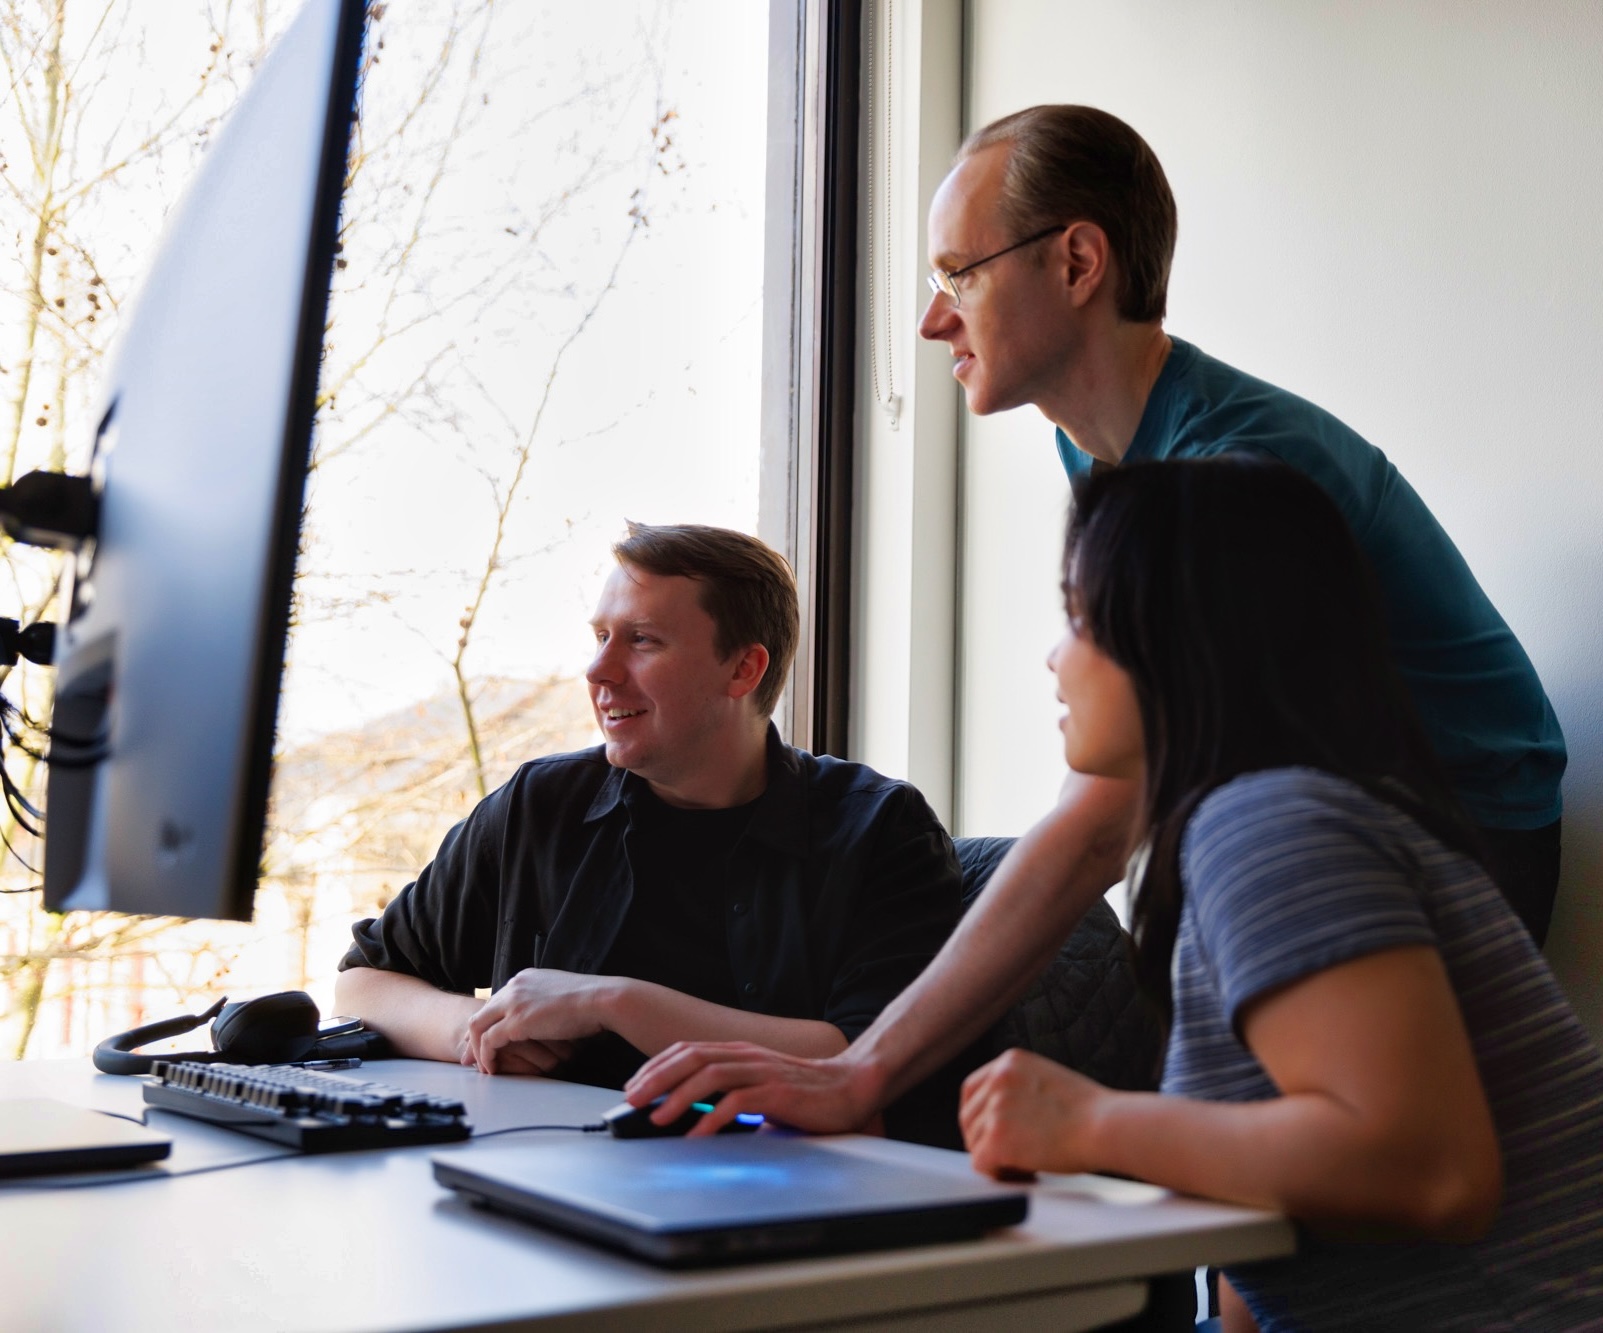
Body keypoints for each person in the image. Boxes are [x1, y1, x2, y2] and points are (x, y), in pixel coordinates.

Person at [623, 103, 1567, 1137]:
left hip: (1454, 826)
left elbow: (1102, 813)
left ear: (1076, 262)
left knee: (1342, 1185)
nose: (934, 320)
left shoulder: (1229, 475)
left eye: (958, 276)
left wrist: (866, 1068)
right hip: (1302, 813)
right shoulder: (1105, 449)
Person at [959, 458, 1603, 1331]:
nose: (1053, 653)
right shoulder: (1272, 820)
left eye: (1077, 614)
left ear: (1180, 634)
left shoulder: (1269, 825)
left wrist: (1090, 1123)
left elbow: (1429, 1171)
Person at [335, 522, 962, 1090]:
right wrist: (474, 1030)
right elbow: (362, 983)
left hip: (775, 1182)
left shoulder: (881, 828)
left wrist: (613, 1004)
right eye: (602, 636)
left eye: (642, 641)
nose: (598, 670)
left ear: (743, 669)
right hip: (537, 1165)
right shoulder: (541, 805)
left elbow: (869, 1055)